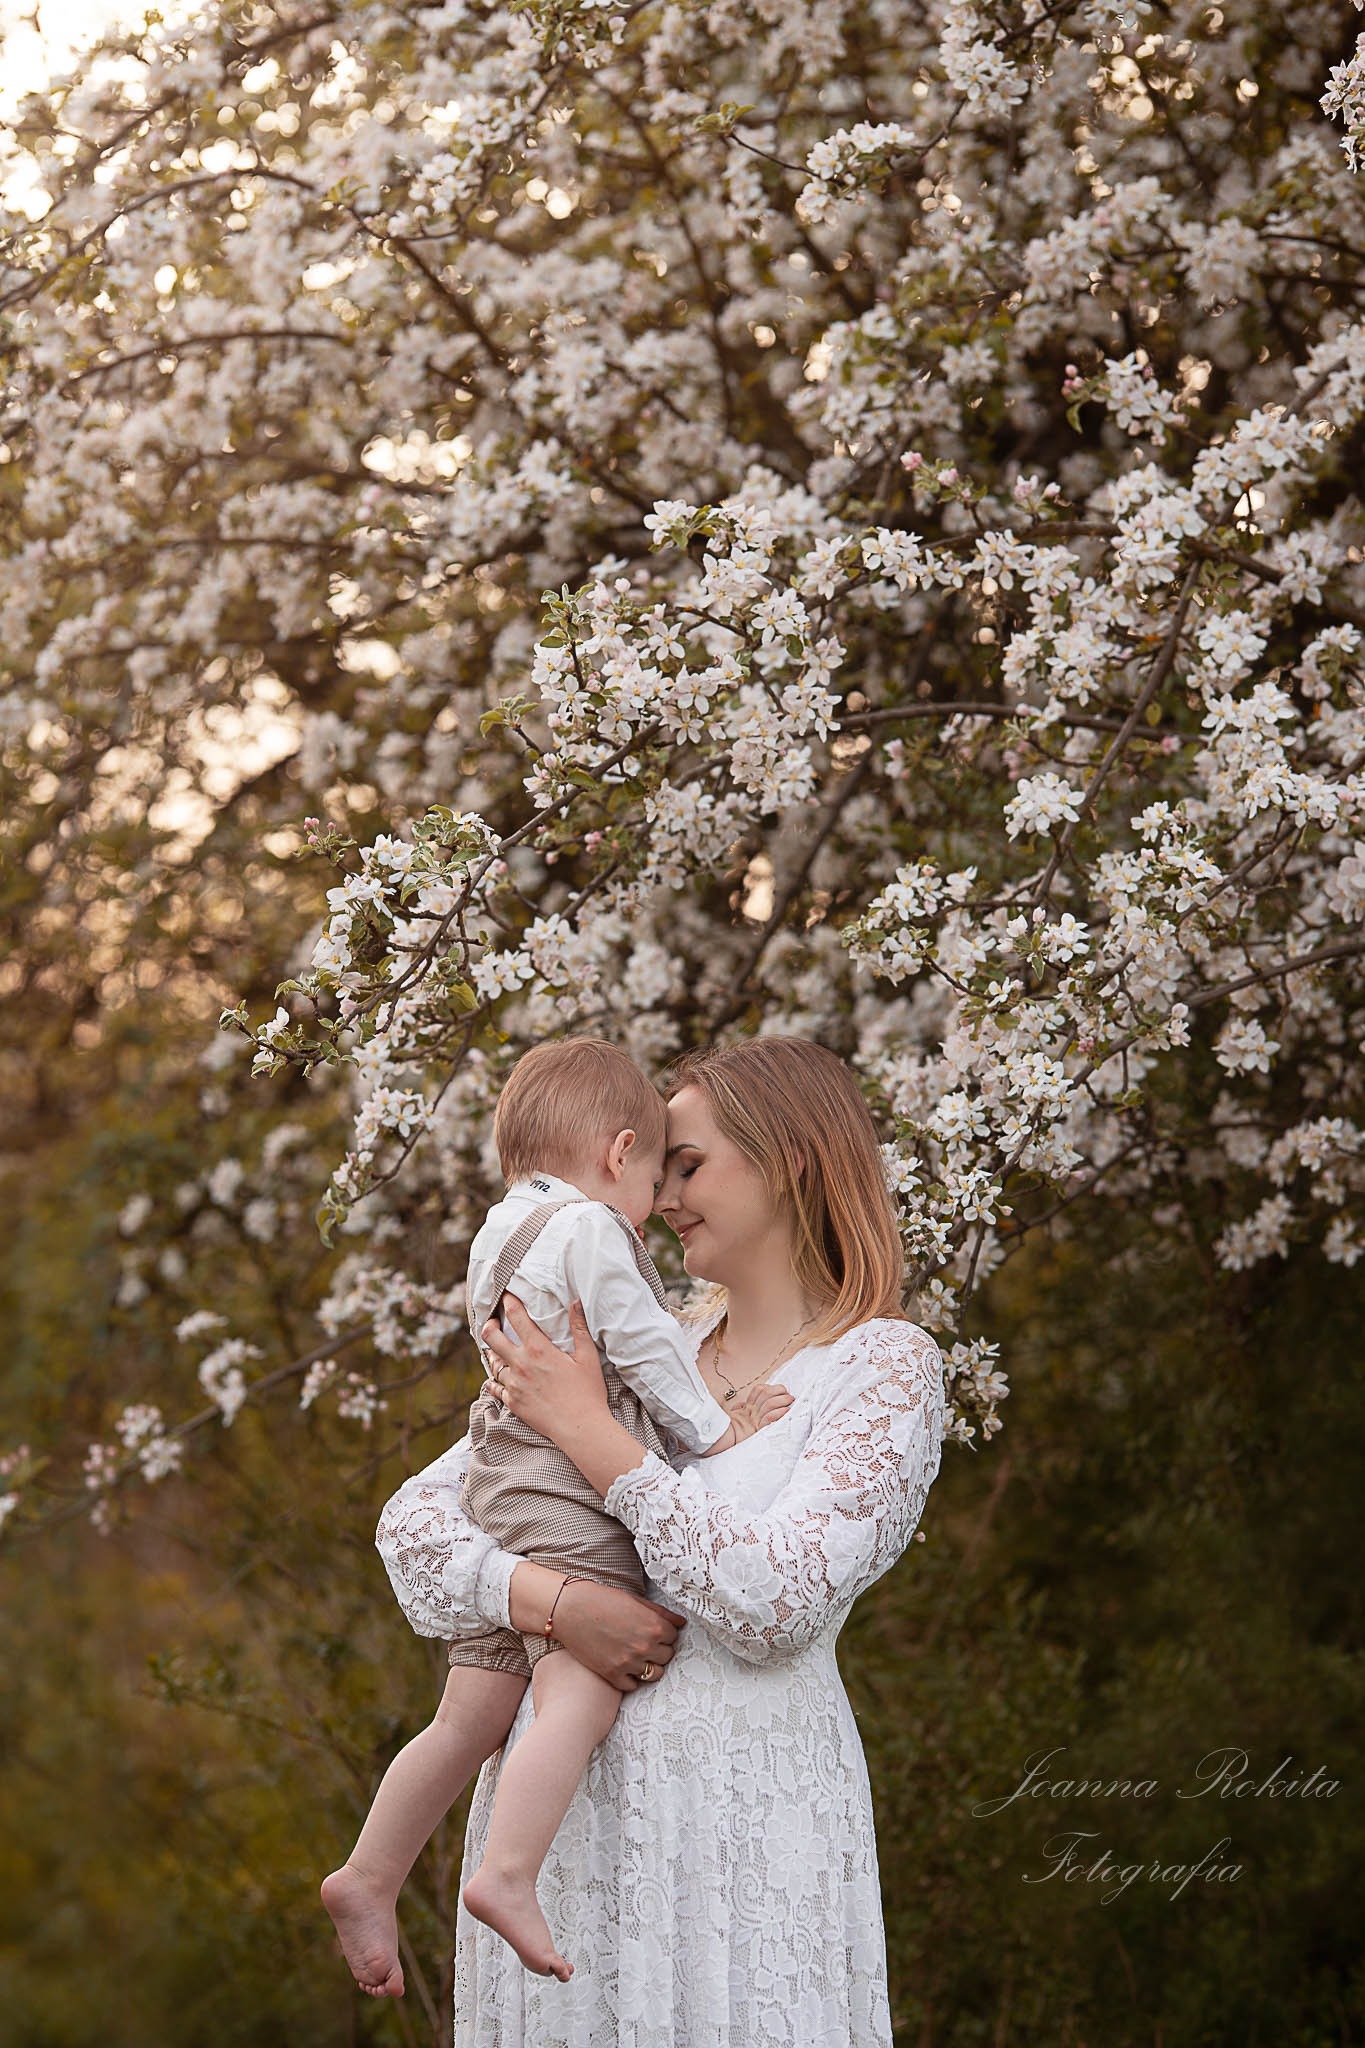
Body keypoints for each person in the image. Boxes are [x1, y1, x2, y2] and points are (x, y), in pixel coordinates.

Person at [376, 1034, 947, 2047]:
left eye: (687, 1164)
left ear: (790, 1161)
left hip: (746, 1827)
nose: (659, 1194)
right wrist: (556, 1605)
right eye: (657, 1166)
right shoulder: (634, 1338)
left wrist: (595, 1438)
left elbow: (775, 1601)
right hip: (566, 1843)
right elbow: (414, 1527)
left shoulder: (881, 1366)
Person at [322, 1038, 794, 1996]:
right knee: (578, 1683)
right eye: (656, 1177)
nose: (657, 1206)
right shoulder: (591, 1231)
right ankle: (507, 1872)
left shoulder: (502, 1228)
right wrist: (718, 1425)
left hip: (499, 1468)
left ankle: (369, 1872)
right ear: (619, 1153)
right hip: (559, 1483)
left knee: (470, 1710)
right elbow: (644, 1348)